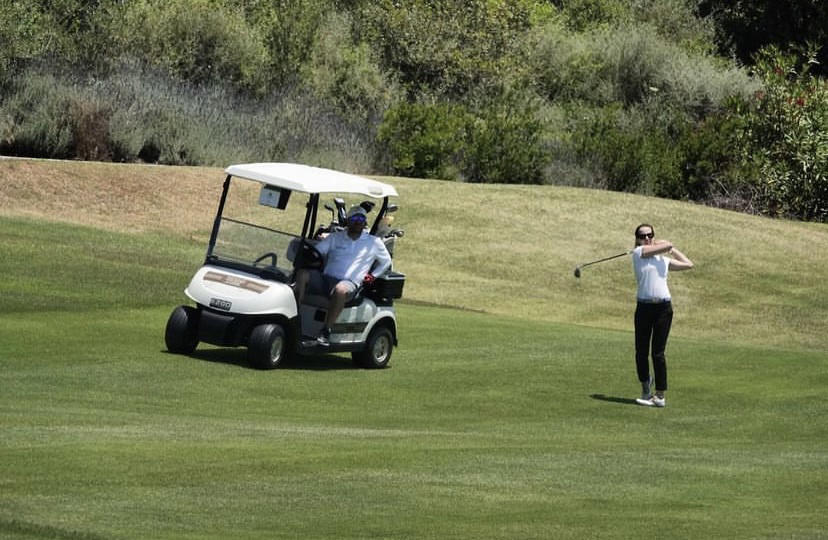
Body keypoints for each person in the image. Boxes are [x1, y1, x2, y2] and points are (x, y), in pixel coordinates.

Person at [294, 205, 392, 347]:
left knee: (340, 289)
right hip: (326, 279)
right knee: (302, 274)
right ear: (348, 221)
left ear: (365, 222)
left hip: (349, 284)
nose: (358, 221)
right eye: (354, 218)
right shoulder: (335, 238)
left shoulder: (373, 242)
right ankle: (294, 318)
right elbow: (318, 251)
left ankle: (326, 332)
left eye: (361, 218)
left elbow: (386, 262)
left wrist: (373, 276)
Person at [631, 224, 694, 408]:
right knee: (641, 352)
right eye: (643, 236)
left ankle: (659, 396)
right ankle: (645, 385)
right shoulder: (638, 253)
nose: (647, 238)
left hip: (663, 309)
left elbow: (689, 264)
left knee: (657, 353)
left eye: (650, 235)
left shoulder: (663, 260)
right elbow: (665, 245)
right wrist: (665, 245)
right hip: (644, 307)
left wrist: (672, 249)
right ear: (637, 239)